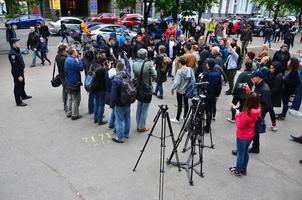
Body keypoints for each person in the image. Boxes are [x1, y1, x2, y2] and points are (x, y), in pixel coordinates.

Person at [229, 93, 261, 176]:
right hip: (250, 135)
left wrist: (237, 115)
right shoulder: (258, 110)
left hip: (242, 136)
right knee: (245, 152)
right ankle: (244, 169)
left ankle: (238, 170)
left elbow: (240, 125)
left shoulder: (246, 113)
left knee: (240, 154)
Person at [133, 48, 157, 132]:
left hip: (138, 88)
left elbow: (134, 77)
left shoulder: (134, 63)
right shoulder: (149, 64)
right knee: (145, 108)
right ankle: (141, 126)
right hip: (147, 88)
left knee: (139, 106)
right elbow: (155, 75)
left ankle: (138, 124)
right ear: (145, 55)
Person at [248, 71, 272, 154]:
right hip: (255, 112)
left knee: (252, 131)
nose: (251, 79)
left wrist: (255, 113)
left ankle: (246, 147)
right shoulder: (257, 85)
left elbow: (265, 106)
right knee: (255, 131)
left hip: (257, 114)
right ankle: (255, 148)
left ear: (259, 77)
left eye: (253, 77)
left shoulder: (264, 89)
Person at [110, 62, 132, 143]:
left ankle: (120, 137)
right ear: (123, 68)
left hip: (120, 102)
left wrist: (112, 104)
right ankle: (126, 134)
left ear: (116, 68)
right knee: (127, 117)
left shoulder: (116, 80)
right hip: (128, 100)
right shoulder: (127, 75)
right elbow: (129, 68)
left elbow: (113, 94)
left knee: (120, 120)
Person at [170, 56, 195, 124]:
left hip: (180, 90)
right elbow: (193, 80)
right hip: (187, 90)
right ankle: (185, 117)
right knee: (186, 103)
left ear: (180, 63)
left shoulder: (179, 71)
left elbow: (177, 82)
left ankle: (177, 118)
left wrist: (172, 89)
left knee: (180, 104)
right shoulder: (190, 70)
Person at [8, 38, 32, 107]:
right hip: (17, 72)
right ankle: (18, 102)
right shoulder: (12, 53)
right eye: (17, 42)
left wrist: (22, 68)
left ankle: (23, 95)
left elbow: (19, 61)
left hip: (20, 70)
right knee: (17, 86)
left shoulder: (17, 50)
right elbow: (14, 66)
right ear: (13, 44)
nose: (19, 43)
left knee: (22, 83)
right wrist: (19, 75)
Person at [201, 58, 222, 130]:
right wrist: (217, 95)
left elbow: (202, 85)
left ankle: (200, 126)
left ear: (208, 65)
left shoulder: (206, 74)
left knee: (202, 110)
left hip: (206, 94)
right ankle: (208, 126)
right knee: (209, 111)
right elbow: (219, 86)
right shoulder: (218, 74)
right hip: (213, 95)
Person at [64, 47, 84, 120]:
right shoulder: (72, 61)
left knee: (70, 98)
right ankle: (74, 114)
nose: (77, 53)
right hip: (74, 82)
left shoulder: (67, 59)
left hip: (69, 81)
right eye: (75, 52)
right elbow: (81, 68)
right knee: (76, 99)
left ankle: (69, 112)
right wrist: (81, 60)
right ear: (73, 53)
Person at [92, 54, 109, 125]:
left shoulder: (95, 67)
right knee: (101, 104)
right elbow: (107, 80)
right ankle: (100, 120)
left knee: (96, 103)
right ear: (104, 61)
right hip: (102, 88)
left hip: (95, 87)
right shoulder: (104, 69)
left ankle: (95, 119)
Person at [267, 61, 283, 131]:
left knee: (266, 109)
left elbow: (275, 89)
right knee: (270, 110)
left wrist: (267, 94)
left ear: (276, 69)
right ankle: (274, 125)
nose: (270, 69)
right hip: (271, 96)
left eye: (272, 68)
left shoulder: (278, 77)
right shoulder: (274, 74)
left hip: (272, 96)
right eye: (270, 68)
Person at [55, 43, 68, 112]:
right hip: (65, 76)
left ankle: (65, 105)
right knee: (66, 92)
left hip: (61, 76)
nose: (67, 52)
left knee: (64, 91)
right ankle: (66, 107)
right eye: (66, 50)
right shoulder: (64, 59)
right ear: (63, 51)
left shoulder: (57, 56)